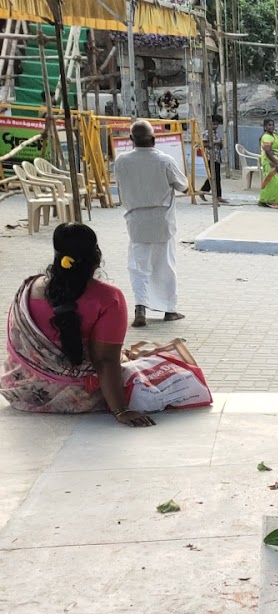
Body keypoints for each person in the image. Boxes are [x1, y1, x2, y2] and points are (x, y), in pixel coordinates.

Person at [1, 224, 155, 426]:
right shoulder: (109, 298)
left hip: (23, 393)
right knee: (150, 365)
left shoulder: (28, 289)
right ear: (96, 256)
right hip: (82, 397)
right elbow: (105, 361)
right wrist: (121, 410)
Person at [112, 119, 188, 328]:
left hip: (136, 221)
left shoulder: (121, 161)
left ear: (131, 139)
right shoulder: (165, 161)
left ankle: (140, 307)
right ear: (153, 139)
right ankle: (169, 310)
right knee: (165, 265)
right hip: (162, 222)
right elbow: (183, 186)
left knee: (138, 267)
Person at [199, 114, 223, 197]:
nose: (215, 126)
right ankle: (217, 195)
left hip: (217, 158)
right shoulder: (206, 133)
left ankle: (204, 191)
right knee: (214, 176)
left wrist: (220, 143)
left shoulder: (216, 134)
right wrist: (214, 143)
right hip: (210, 158)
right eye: (214, 124)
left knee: (216, 177)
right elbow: (203, 144)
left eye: (217, 124)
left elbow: (220, 146)